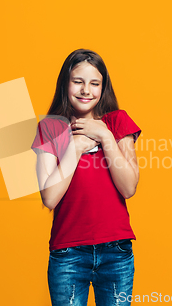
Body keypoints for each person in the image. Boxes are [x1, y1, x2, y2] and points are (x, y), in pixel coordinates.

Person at [31, 48, 142, 306]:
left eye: (95, 83)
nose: (86, 90)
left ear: (103, 88)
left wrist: (104, 136)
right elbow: (49, 197)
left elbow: (129, 187)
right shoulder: (51, 127)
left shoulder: (117, 122)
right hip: (68, 253)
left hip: (116, 251)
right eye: (78, 82)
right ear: (66, 83)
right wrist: (76, 147)